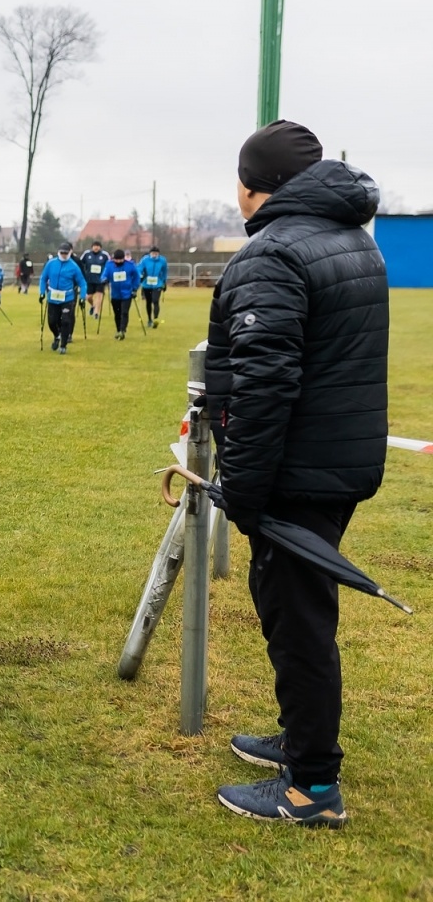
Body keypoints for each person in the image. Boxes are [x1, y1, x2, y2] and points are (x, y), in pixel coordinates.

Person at [205, 120, 388, 826]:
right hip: (337, 465)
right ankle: (299, 739)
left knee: (299, 622)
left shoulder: (273, 254)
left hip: (295, 473)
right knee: (294, 609)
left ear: (259, 188)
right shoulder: (353, 240)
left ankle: (312, 786)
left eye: (242, 184)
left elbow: (265, 383)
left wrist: (243, 489)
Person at [38, 241, 86, 354]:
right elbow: (43, 278)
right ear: (58, 252)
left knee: (65, 321)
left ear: (69, 253)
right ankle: (57, 336)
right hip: (53, 297)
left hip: (67, 298)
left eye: (66, 253)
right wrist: (42, 292)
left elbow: (82, 282)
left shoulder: (73, 266)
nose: (64, 255)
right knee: (52, 321)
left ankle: (63, 345)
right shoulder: (51, 263)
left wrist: (83, 297)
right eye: (62, 253)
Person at [106, 248, 140, 339]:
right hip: (115, 294)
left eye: (120, 260)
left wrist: (134, 289)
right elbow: (105, 274)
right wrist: (104, 280)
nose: (118, 261)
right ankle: (118, 329)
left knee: (124, 312)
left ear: (123, 258)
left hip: (127, 293)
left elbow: (137, 277)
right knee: (117, 313)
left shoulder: (130, 265)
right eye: (116, 260)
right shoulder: (109, 265)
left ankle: (122, 330)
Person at [79, 240, 110, 319]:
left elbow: (110, 265)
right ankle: (93, 306)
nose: (96, 248)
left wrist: (107, 277)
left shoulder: (105, 255)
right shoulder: (87, 254)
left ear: (100, 247)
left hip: (100, 280)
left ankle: (96, 313)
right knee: (88, 297)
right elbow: (80, 263)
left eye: (98, 246)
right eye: (94, 246)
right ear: (92, 247)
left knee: (99, 296)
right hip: (89, 279)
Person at [138, 246, 168, 327]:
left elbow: (165, 271)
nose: (154, 255)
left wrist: (164, 282)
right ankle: (149, 319)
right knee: (148, 302)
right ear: (150, 253)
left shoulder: (162, 260)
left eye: (156, 253)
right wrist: (140, 275)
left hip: (157, 284)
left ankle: (155, 319)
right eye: (153, 253)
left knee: (155, 301)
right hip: (146, 284)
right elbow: (139, 268)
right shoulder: (145, 259)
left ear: (158, 254)